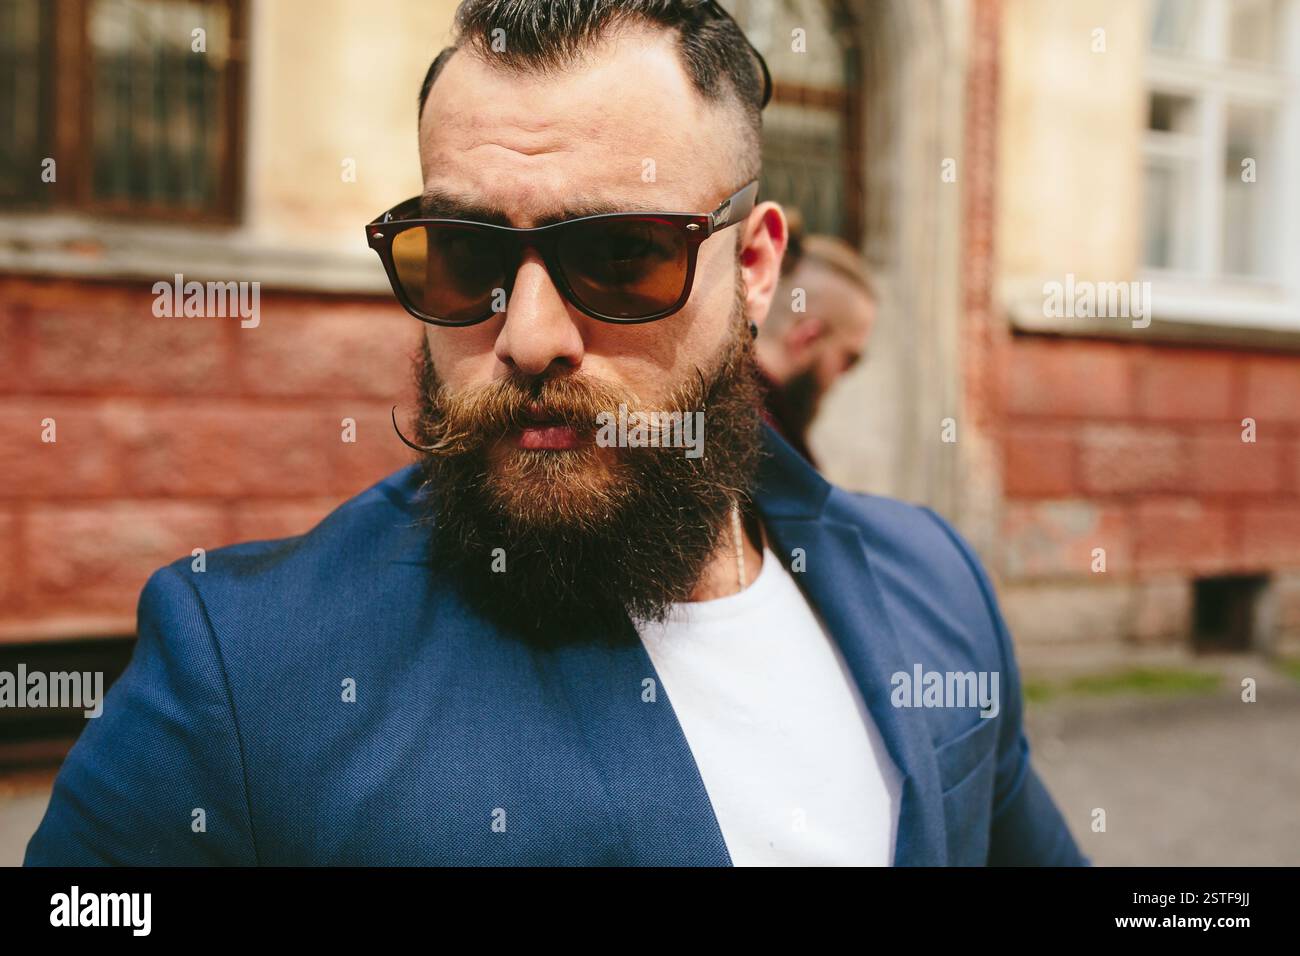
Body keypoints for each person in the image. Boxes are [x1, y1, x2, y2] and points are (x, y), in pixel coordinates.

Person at [26, 0, 1084, 866]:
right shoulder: (250, 677)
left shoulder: (928, 586)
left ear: (755, 267)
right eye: (463, 256)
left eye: (622, 256)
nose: (528, 336)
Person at [755, 215, 877, 465]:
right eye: (849, 359)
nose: (843, 375)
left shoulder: (707, 406)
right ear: (807, 338)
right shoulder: (769, 457)